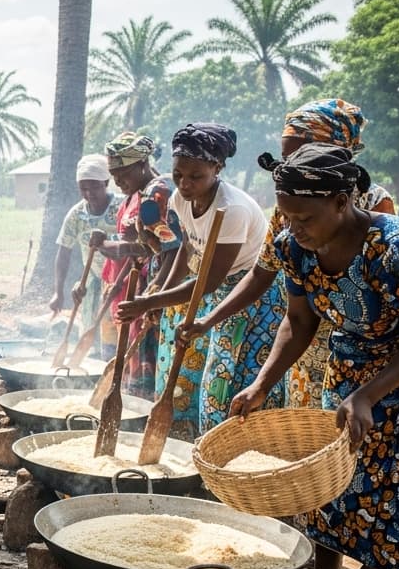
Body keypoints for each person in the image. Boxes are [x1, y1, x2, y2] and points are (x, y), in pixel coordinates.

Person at [232, 144, 399, 569]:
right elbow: (299, 322)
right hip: (357, 351)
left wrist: (367, 395)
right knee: (338, 469)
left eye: (305, 217)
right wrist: (262, 384)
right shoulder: (294, 246)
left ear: (342, 201)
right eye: (286, 215)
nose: (295, 228)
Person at [182, 99, 396, 410]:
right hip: (303, 343)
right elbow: (262, 272)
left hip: (365, 354)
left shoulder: (375, 205)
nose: (288, 165)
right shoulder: (291, 208)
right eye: (285, 157)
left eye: (297, 154)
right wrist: (208, 320)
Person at [116, 123, 285, 436]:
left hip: (253, 296)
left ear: (217, 168)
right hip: (217, 290)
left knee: (230, 378)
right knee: (204, 376)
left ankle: (236, 451)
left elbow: (208, 281)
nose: (184, 183)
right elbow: (188, 247)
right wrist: (161, 295)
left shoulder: (230, 209)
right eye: (178, 174)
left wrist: (148, 301)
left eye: (196, 177)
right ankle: (196, 442)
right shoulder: (182, 199)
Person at [93, 132, 181, 397]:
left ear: (142, 164)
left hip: (170, 283)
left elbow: (174, 251)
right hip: (155, 282)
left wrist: (154, 293)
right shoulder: (140, 193)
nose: (117, 180)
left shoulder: (159, 193)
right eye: (113, 173)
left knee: (158, 356)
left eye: (122, 172)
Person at [48, 154, 121, 355]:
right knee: (90, 328)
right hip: (92, 277)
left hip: (120, 279)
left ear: (106, 183)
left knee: (115, 330)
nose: (89, 193)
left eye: (94, 187)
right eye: (83, 188)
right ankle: (91, 366)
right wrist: (58, 291)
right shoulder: (76, 215)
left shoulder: (122, 207)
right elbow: (63, 252)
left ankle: (113, 365)